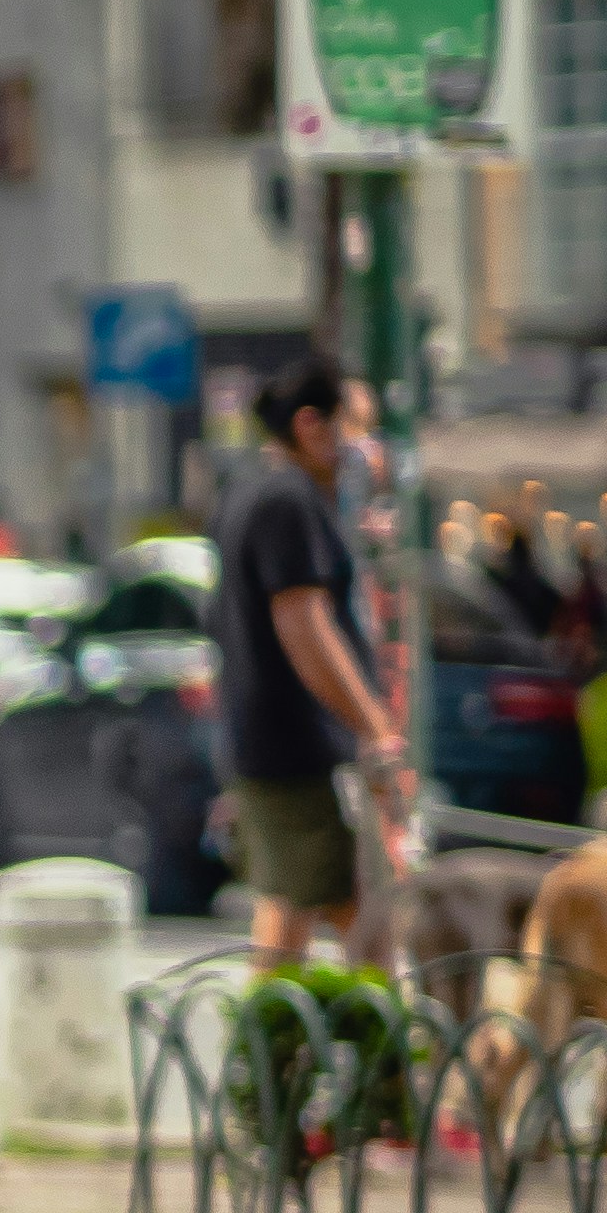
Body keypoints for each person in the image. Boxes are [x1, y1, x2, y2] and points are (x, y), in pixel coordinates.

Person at [213, 353, 399, 972]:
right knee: (310, 902)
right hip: (297, 748)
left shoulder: (265, 496)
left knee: (334, 904)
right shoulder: (287, 502)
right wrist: (374, 724)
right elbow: (307, 629)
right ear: (312, 427)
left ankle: (341, 1046)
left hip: (285, 745)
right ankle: (269, 1057)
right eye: (358, 427)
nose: (366, 449)